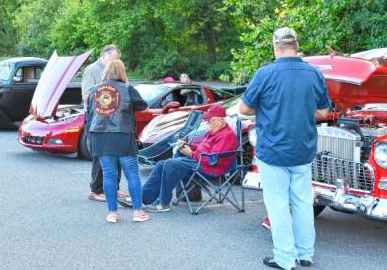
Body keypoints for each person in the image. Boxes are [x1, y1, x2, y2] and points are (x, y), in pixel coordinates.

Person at [239, 27, 330, 270]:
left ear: (275, 46)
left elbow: (244, 109)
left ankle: (284, 258)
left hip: (273, 150)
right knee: (302, 202)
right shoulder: (314, 73)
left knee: (278, 203)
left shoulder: (265, 73)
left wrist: (270, 108)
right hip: (303, 149)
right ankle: (305, 254)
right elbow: (323, 112)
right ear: (296, 45)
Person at [138, 105, 238, 211]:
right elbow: (202, 150)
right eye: (207, 120)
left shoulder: (226, 136)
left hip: (212, 168)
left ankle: (163, 203)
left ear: (222, 120)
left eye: (211, 120)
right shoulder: (212, 132)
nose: (208, 123)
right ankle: (142, 198)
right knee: (160, 164)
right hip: (200, 162)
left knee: (170, 164)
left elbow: (212, 160)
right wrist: (187, 145)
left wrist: (191, 154)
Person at [86, 59, 149, 223]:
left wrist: (89, 139)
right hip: (122, 136)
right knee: (132, 175)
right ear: (122, 71)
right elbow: (143, 105)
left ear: (105, 71)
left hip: (99, 136)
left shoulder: (93, 90)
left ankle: (112, 213)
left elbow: (89, 116)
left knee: (108, 175)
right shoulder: (127, 89)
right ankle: (137, 212)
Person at [82, 45, 124, 202]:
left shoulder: (115, 71)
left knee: (116, 154)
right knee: (100, 155)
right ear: (104, 56)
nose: (116, 62)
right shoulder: (92, 70)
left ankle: (114, 188)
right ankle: (96, 190)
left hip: (113, 120)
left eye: (117, 59)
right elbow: (86, 95)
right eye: (113, 59)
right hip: (96, 119)